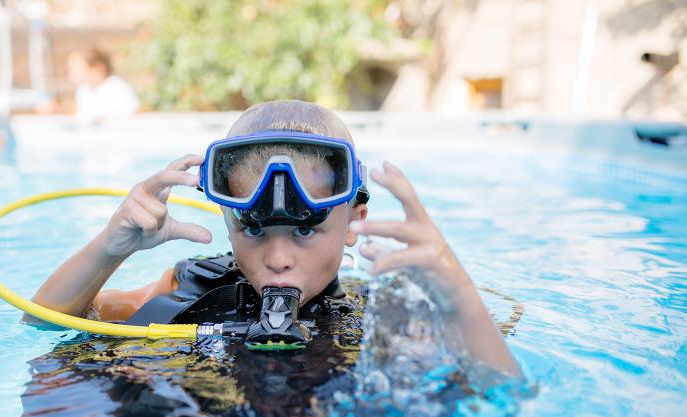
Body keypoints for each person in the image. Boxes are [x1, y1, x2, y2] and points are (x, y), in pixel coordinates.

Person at [25, 99, 520, 377]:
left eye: (306, 228)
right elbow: (43, 323)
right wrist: (111, 248)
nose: (278, 259)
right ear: (226, 218)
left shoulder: (384, 315)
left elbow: (498, 390)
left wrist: (455, 291)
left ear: (354, 220)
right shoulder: (191, 285)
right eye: (254, 228)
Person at [66, 47, 140, 124]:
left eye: (76, 67)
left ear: (98, 68)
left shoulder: (118, 88)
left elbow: (133, 116)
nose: (71, 72)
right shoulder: (83, 90)